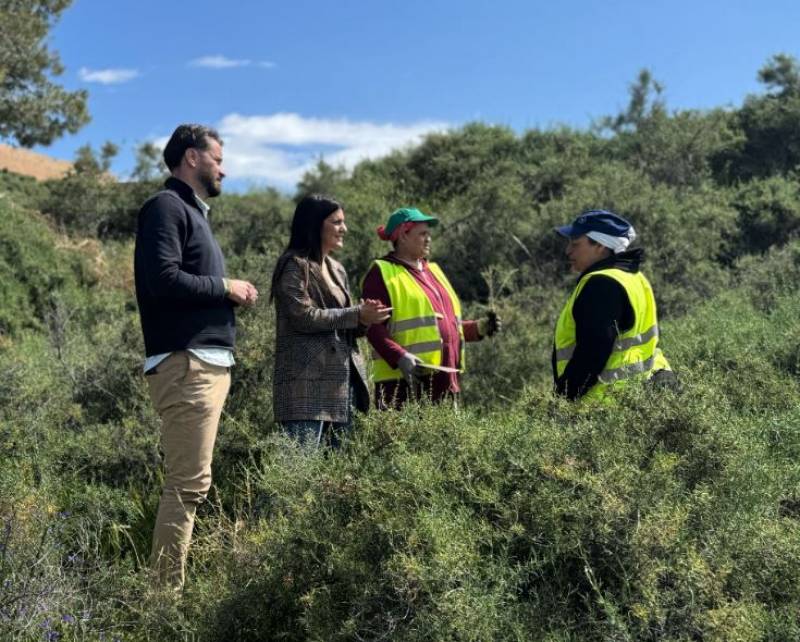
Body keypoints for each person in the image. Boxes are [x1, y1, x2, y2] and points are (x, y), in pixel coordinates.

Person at [134, 123, 258, 588]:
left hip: (202, 365)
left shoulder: (191, 213)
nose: (223, 168)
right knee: (187, 485)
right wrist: (227, 287)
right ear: (192, 157)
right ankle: (164, 603)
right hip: (188, 365)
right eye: (217, 158)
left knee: (192, 483)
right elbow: (163, 280)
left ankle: (169, 592)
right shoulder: (166, 207)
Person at [270, 195, 391, 446]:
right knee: (297, 475)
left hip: (342, 389)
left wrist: (366, 318)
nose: (344, 229)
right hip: (304, 389)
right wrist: (356, 313)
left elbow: (347, 326)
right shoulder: (294, 265)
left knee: (334, 479)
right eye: (336, 222)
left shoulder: (338, 269)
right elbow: (303, 317)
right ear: (315, 225)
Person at [361, 207, 501, 409]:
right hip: (403, 386)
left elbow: (444, 325)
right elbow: (372, 327)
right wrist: (399, 357)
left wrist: (478, 328)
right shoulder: (381, 272)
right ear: (402, 235)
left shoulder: (433, 270)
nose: (429, 239)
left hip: (445, 382)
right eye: (422, 234)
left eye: (429, 234)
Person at [552, 209, 674, 401]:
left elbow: (592, 353)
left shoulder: (601, 284)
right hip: (639, 395)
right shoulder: (633, 276)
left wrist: (561, 401)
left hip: (607, 406)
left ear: (600, 246)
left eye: (575, 243)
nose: (568, 251)